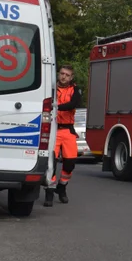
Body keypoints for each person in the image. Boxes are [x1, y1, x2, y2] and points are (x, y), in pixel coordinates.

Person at [45, 65, 82, 207]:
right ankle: (50, 190)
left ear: (71, 77)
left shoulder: (75, 90)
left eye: (67, 75)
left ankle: (62, 186)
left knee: (70, 163)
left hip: (67, 130)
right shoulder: (51, 88)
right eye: (62, 74)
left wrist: (56, 106)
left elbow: (74, 104)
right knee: (51, 164)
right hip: (53, 129)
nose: (64, 77)